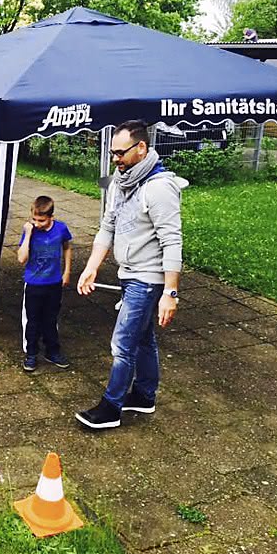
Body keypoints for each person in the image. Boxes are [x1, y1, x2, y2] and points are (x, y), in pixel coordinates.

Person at [75, 120, 186, 430]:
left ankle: (111, 408)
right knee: (144, 339)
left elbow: (172, 241)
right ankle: (145, 395)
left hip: (147, 279)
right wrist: (92, 266)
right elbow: (107, 227)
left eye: (120, 153)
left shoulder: (160, 187)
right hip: (128, 274)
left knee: (122, 344)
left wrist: (170, 293)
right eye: (112, 153)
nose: (115, 159)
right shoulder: (119, 183)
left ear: (141, 148)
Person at [18, 196, 72, 373]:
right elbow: (21, 258)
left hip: (54, 283)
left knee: (50, 319)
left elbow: (67, 247)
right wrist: (27, 235)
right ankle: (31, 353)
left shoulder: (61, 229)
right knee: (33, 322)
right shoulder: (30, 232)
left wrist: (67, 271)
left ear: (51, 217)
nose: (37, 223)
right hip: (34, 284)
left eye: (41, 220)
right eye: (34, 219)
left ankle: (52, 351)